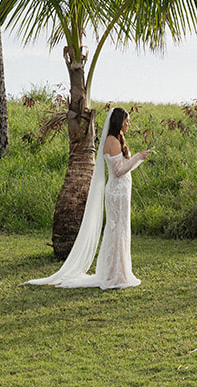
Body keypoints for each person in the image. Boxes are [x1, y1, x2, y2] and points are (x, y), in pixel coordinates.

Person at [27, 107, 152, 289]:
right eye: (126, 121)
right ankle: (114, 274)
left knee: (120, 231)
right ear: (118, 122)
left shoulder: (117, 139)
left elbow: (122, 167)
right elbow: (118, 171)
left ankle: (117, 272)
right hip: (117, 193)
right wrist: (138, 157)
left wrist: (137, 160)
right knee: (116, 231)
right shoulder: (112, 141)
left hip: (121, 192)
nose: (129, 124)